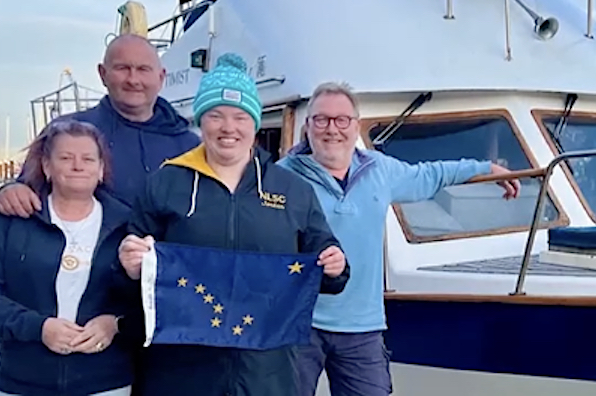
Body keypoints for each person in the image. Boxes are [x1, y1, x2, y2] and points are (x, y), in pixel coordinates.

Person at [117, 53, 351, 396]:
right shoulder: (166, 184)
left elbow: (326, 267)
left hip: (267, 373)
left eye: (240, 116)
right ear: (201, 121)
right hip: (181, 373)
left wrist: (336, 266)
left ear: (255, 123)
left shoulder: (291, 190)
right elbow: (125, 278)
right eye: (216, 116)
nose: (229, 128)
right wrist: (128, 267)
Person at [276, 81, 522, 396]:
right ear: (308, 126)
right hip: (297, 325)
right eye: (321, 119)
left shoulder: (379, 169)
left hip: (362, 326)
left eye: (342, 120)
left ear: (356, 126)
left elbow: (431, 175)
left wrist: (485, 168)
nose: (331, 129)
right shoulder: (283, 177)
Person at [0, 119, 140, 396]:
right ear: (46, 166)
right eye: (66, 158)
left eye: (88, 159)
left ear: (101, 169)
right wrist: (38, 327)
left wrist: (114, 323)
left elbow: (151, 299)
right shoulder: (14, 223)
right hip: (24, 382)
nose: (78, 166)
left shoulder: (128, 228)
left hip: (105, 382)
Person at [0, 33, 200, 216]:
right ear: (102, 74)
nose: (133, 79)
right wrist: (7, 194)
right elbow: (25, 192)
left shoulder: (190, 145)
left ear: (161, 77)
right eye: (122, 68)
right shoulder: (64, 132)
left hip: (165, 260)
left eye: (143, 69)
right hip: (86, 261)